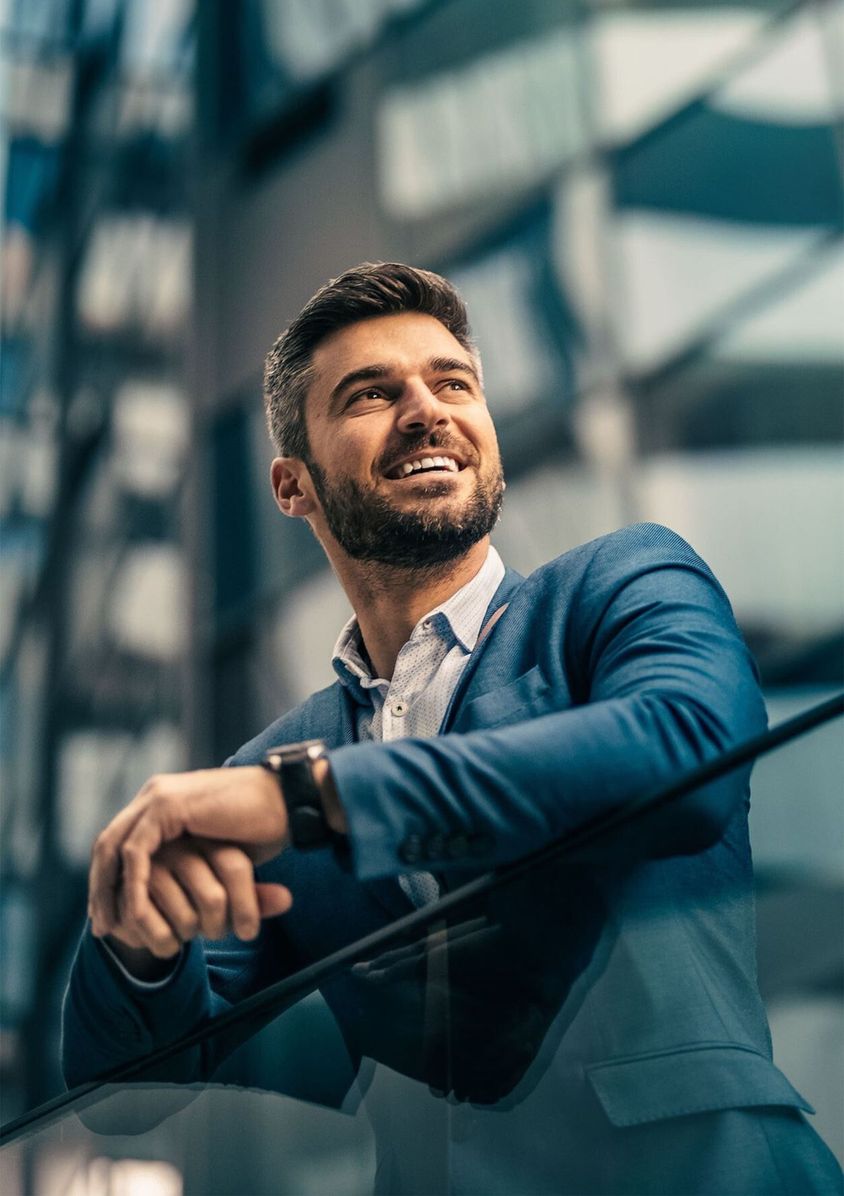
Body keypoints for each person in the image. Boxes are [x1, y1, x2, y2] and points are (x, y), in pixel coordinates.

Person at [63, 263, 842, 1193]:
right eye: (371, 394)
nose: (427, 410)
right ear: (292, 484)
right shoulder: (269, 766)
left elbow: (684, 755)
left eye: (454, 383)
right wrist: (138, 942)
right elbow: (125, 1099)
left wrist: (315, 803)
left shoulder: (625, 583)